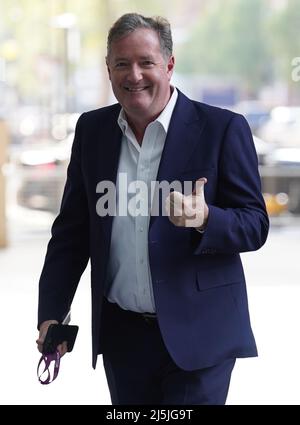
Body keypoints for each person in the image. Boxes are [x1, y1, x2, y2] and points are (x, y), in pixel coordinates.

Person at [36, 13, 269, 405]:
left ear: (169, 65)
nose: (135, 75)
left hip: (200, 336)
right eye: (122, 64)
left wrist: (206, 218)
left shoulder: (222, 129)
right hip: (124, 338)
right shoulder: (92, 132)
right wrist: (52, 313)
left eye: (146, 62)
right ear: (108, 70)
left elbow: (255, 224)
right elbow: (71, 234)